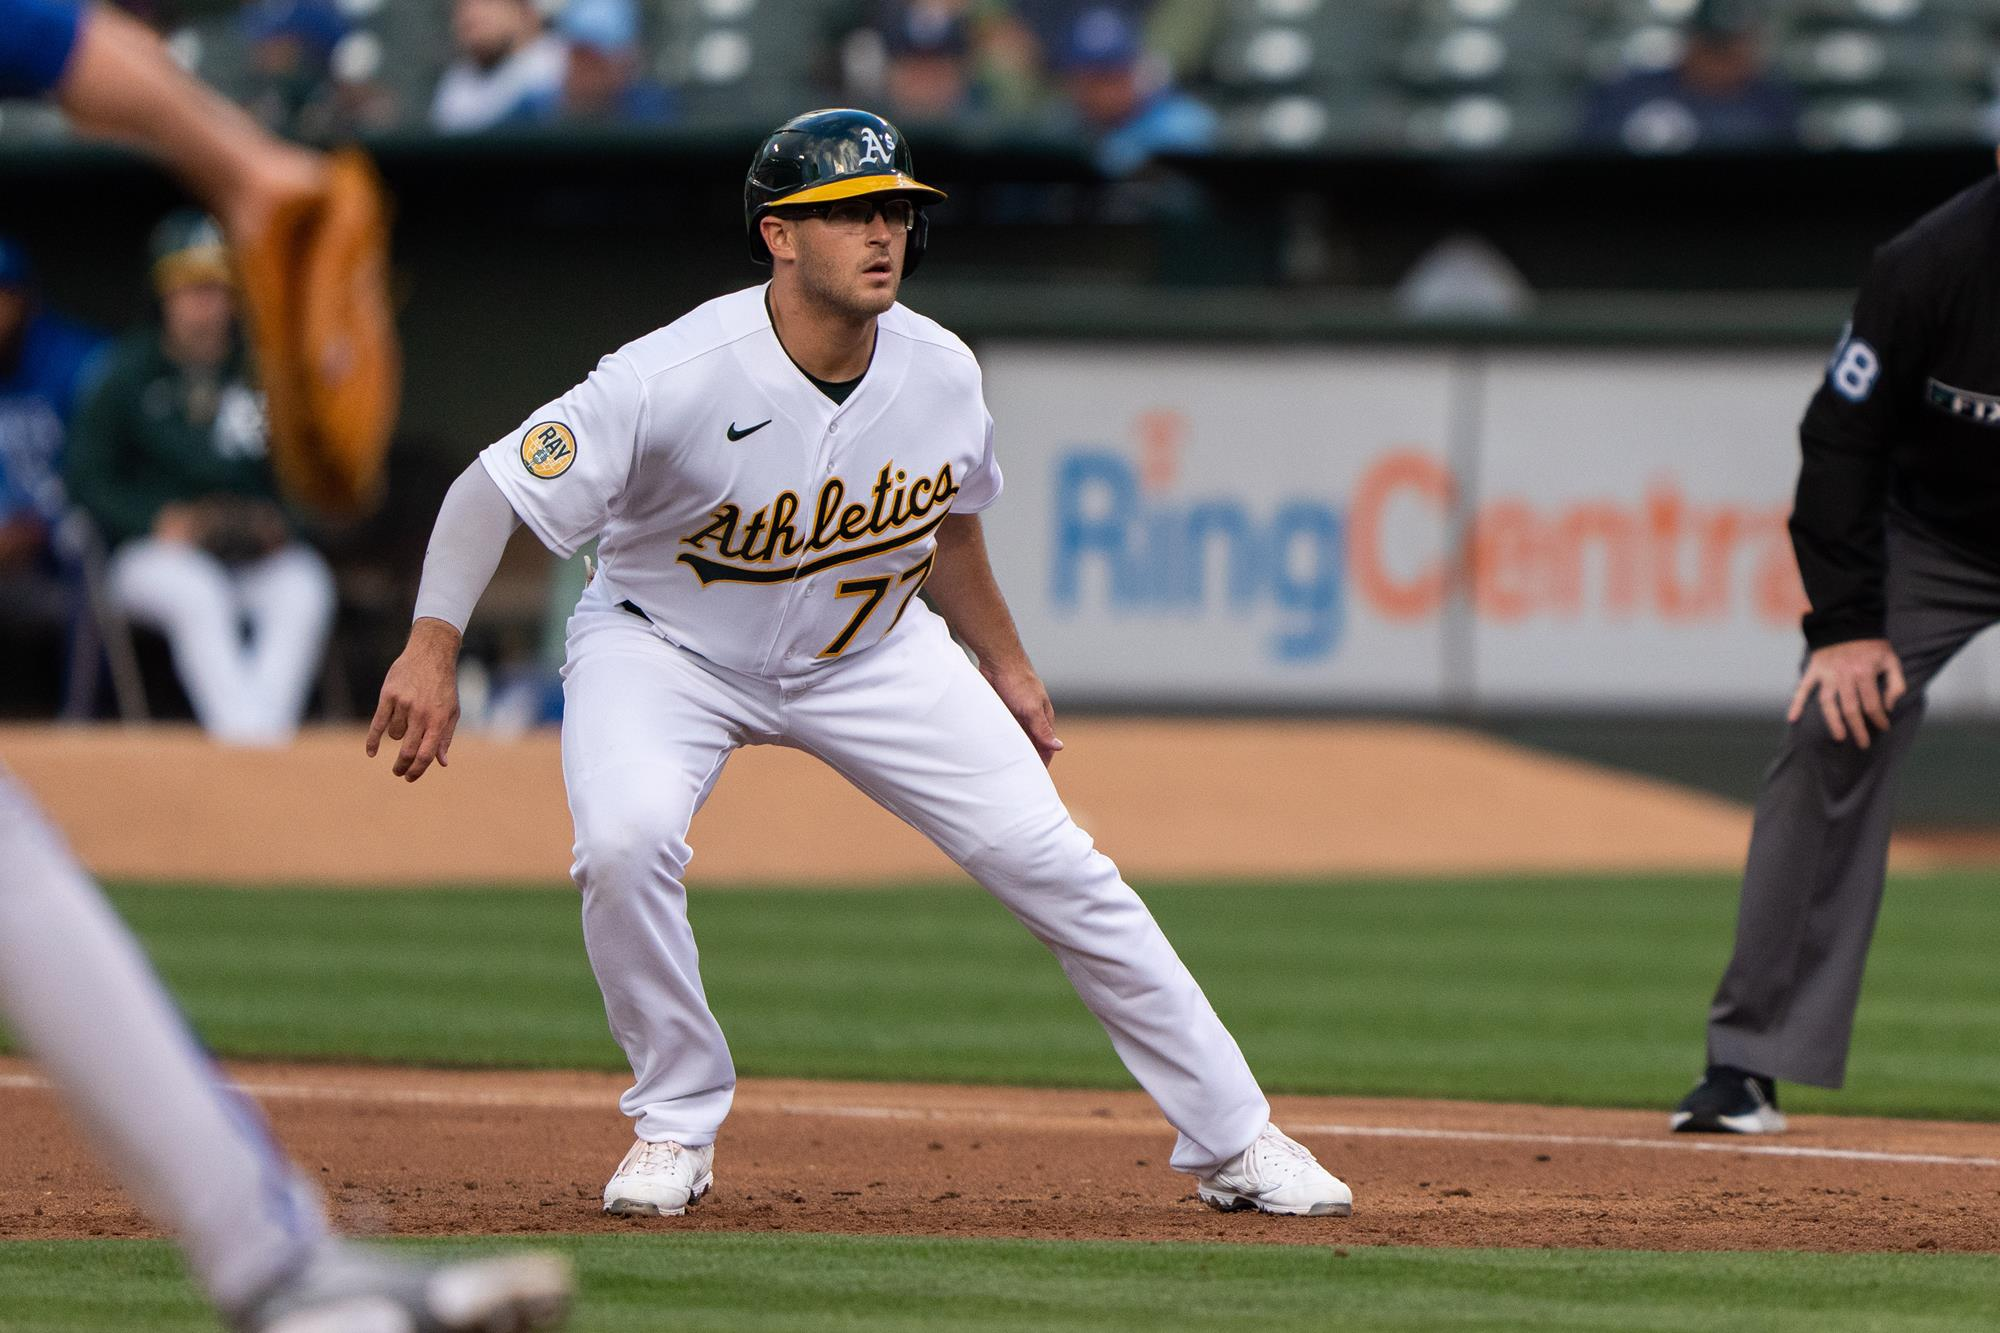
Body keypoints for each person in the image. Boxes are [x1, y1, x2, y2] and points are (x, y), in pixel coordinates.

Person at [367, 106, 1351, 1222]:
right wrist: (432, 644)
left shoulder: (940, 370)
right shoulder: (669, 375)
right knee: (625, 843)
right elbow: (490, 487)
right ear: (779, 235)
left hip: (870, 652)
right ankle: (675, 1121)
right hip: (664, 647)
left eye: (893, 210)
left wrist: (1007, 664)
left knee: (1061, 867)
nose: (881, 232)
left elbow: (950, 525)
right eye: (847, 213)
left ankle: (1236, 1138)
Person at [0, 3, 571, 1328]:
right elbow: (54, 40)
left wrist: (247, 169)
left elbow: (44, 36)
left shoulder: (213, 376)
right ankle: (273, 1266)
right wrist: (248, 165)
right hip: (153, 560)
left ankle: (274, 1264)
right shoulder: (130, 376)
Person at [1671, 156, 2000, 1136]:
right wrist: (1846, 627)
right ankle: (1747, 1061)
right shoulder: (1927, 264)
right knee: (1835, 721)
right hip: (1938, 537)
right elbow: (1839, 440)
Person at [65, 212, 338, 745]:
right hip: (152, 555)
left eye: (217, 288)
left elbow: (308, 485)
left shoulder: (264, 374)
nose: (206, 303)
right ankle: (249, 744)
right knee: (197, 591)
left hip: (249, 555)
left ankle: (258, 740)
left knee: (305, 585)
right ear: (164, 294)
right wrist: (156, 520)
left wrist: (280, 524)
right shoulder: (124, 374)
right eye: (192, 288)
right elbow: (86, 481)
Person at [0, 235, 106, 682]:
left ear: (25, 300)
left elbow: (101, 474)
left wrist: (35, 527)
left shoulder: (83, 363)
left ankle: (81, 711)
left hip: (63, 540)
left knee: (81, 537)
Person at [1579, 0, 1798, 155]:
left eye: (1730, 49)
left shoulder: (1773, 107)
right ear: (1690, 41)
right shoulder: (1628, 94)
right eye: (1712, 48)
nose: (1719, 64)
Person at [429, 0, 567, 134]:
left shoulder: (563, 69)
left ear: (526, 10)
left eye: (487, 2)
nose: (471, 13)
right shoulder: (455, 85)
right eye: (462, 4)